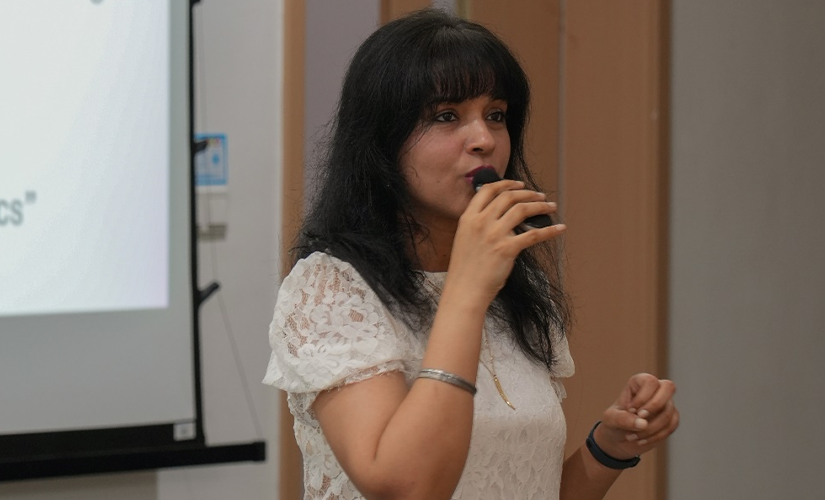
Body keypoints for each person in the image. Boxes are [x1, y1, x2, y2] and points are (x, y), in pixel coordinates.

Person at [263, 8, 678, 500]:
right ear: (383, 139)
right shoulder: (333, 288)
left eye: (496, 115)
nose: (484, 140)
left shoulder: (517, 284)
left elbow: (526, 487)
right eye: (446, 116)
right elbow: (406, 488)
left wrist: (608, 447)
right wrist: (467, 290)